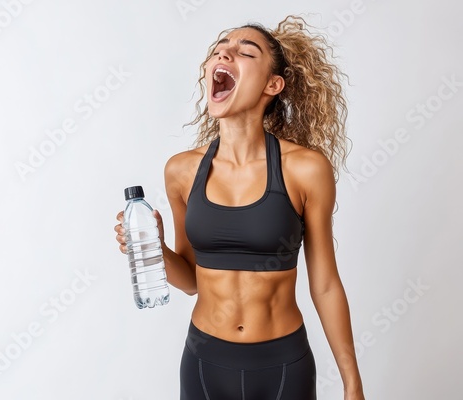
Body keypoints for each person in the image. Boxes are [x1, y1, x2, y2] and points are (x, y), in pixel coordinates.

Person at [114, 14, 366, 400]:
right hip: (203, 363)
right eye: (219, 51)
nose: (225, 54)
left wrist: (352, 383)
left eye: (244, 52)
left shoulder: (305, 169)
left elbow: (326, 284)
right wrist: (152, 248)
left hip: (283, 365)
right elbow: (192, 281)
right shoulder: (181, 171)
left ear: (272, 84)